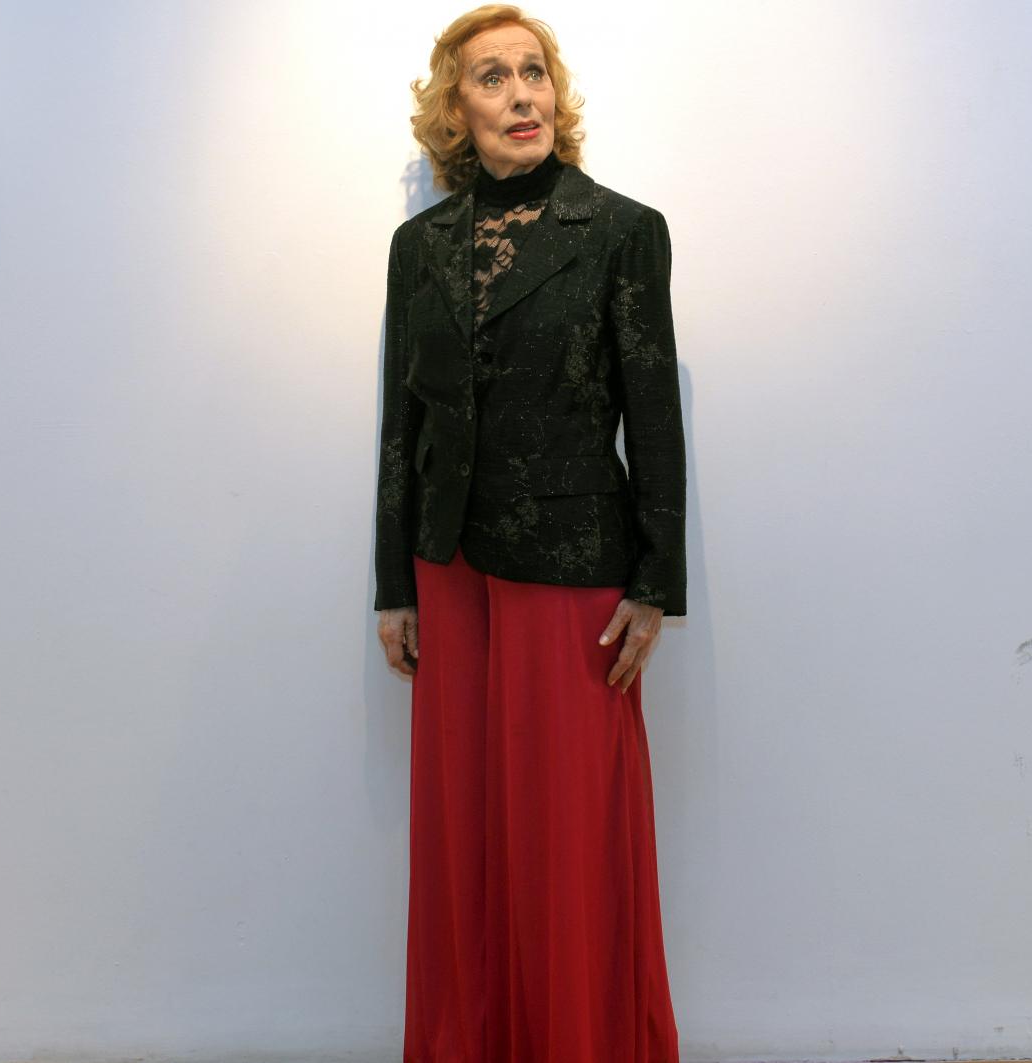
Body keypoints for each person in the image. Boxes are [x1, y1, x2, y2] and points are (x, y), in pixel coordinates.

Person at [372, 5, 686, 1061]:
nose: (520, 94)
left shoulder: (622, 231)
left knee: (565, 838)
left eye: (534, 71)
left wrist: (655, 582)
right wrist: (393, 583)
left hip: (572, 572)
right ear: (455, 111)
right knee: (463, 834)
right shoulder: (418, 248)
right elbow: (401, 424)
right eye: (492, 77)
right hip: (449, 568)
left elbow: (652, 416)